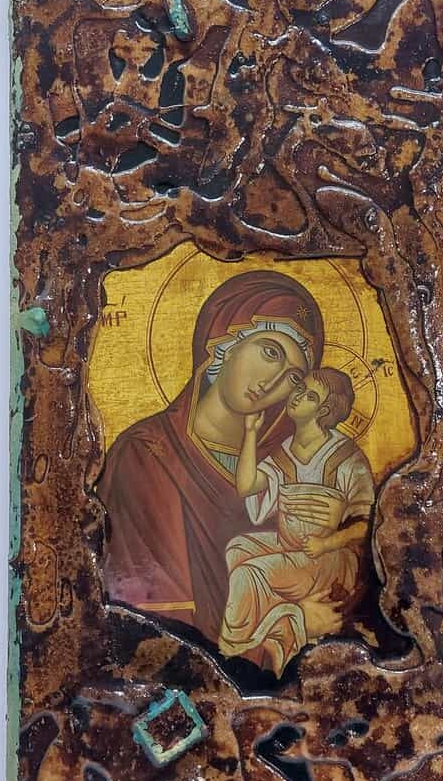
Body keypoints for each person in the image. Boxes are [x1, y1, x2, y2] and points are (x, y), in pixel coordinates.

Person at [96, 271, 323, 643]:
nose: (273, 382)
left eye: (294, 377)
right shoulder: (146, 453)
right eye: (270, 352)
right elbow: (150, 614)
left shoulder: (280, 472)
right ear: (226, 341)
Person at [218, 367, 375, 676]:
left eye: (310, 396)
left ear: (324, 411)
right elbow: (247, 486)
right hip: (293, 547)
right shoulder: (287, 452)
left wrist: (327, 543)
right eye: (300, 388)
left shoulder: (346, 457)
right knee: (237, 548)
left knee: (249, 575)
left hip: (329, 557)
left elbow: (368, 524)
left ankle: (234, 655)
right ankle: (278, 628)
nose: (298, 396)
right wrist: (250, 432)